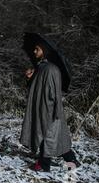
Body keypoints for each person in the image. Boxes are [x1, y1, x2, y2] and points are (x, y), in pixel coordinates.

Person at [20, 43, 80, 172]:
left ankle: (44, 165)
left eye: (37, 49)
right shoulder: (41, 67)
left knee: (47, 135)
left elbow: (54, 93)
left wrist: (54, 110)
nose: (34, 51)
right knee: (54, 136)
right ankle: (71, 160)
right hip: (42, 107)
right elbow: (36, 89)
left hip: (48, 109)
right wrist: (30, 79)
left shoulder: (51, 69)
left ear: (45, 51)